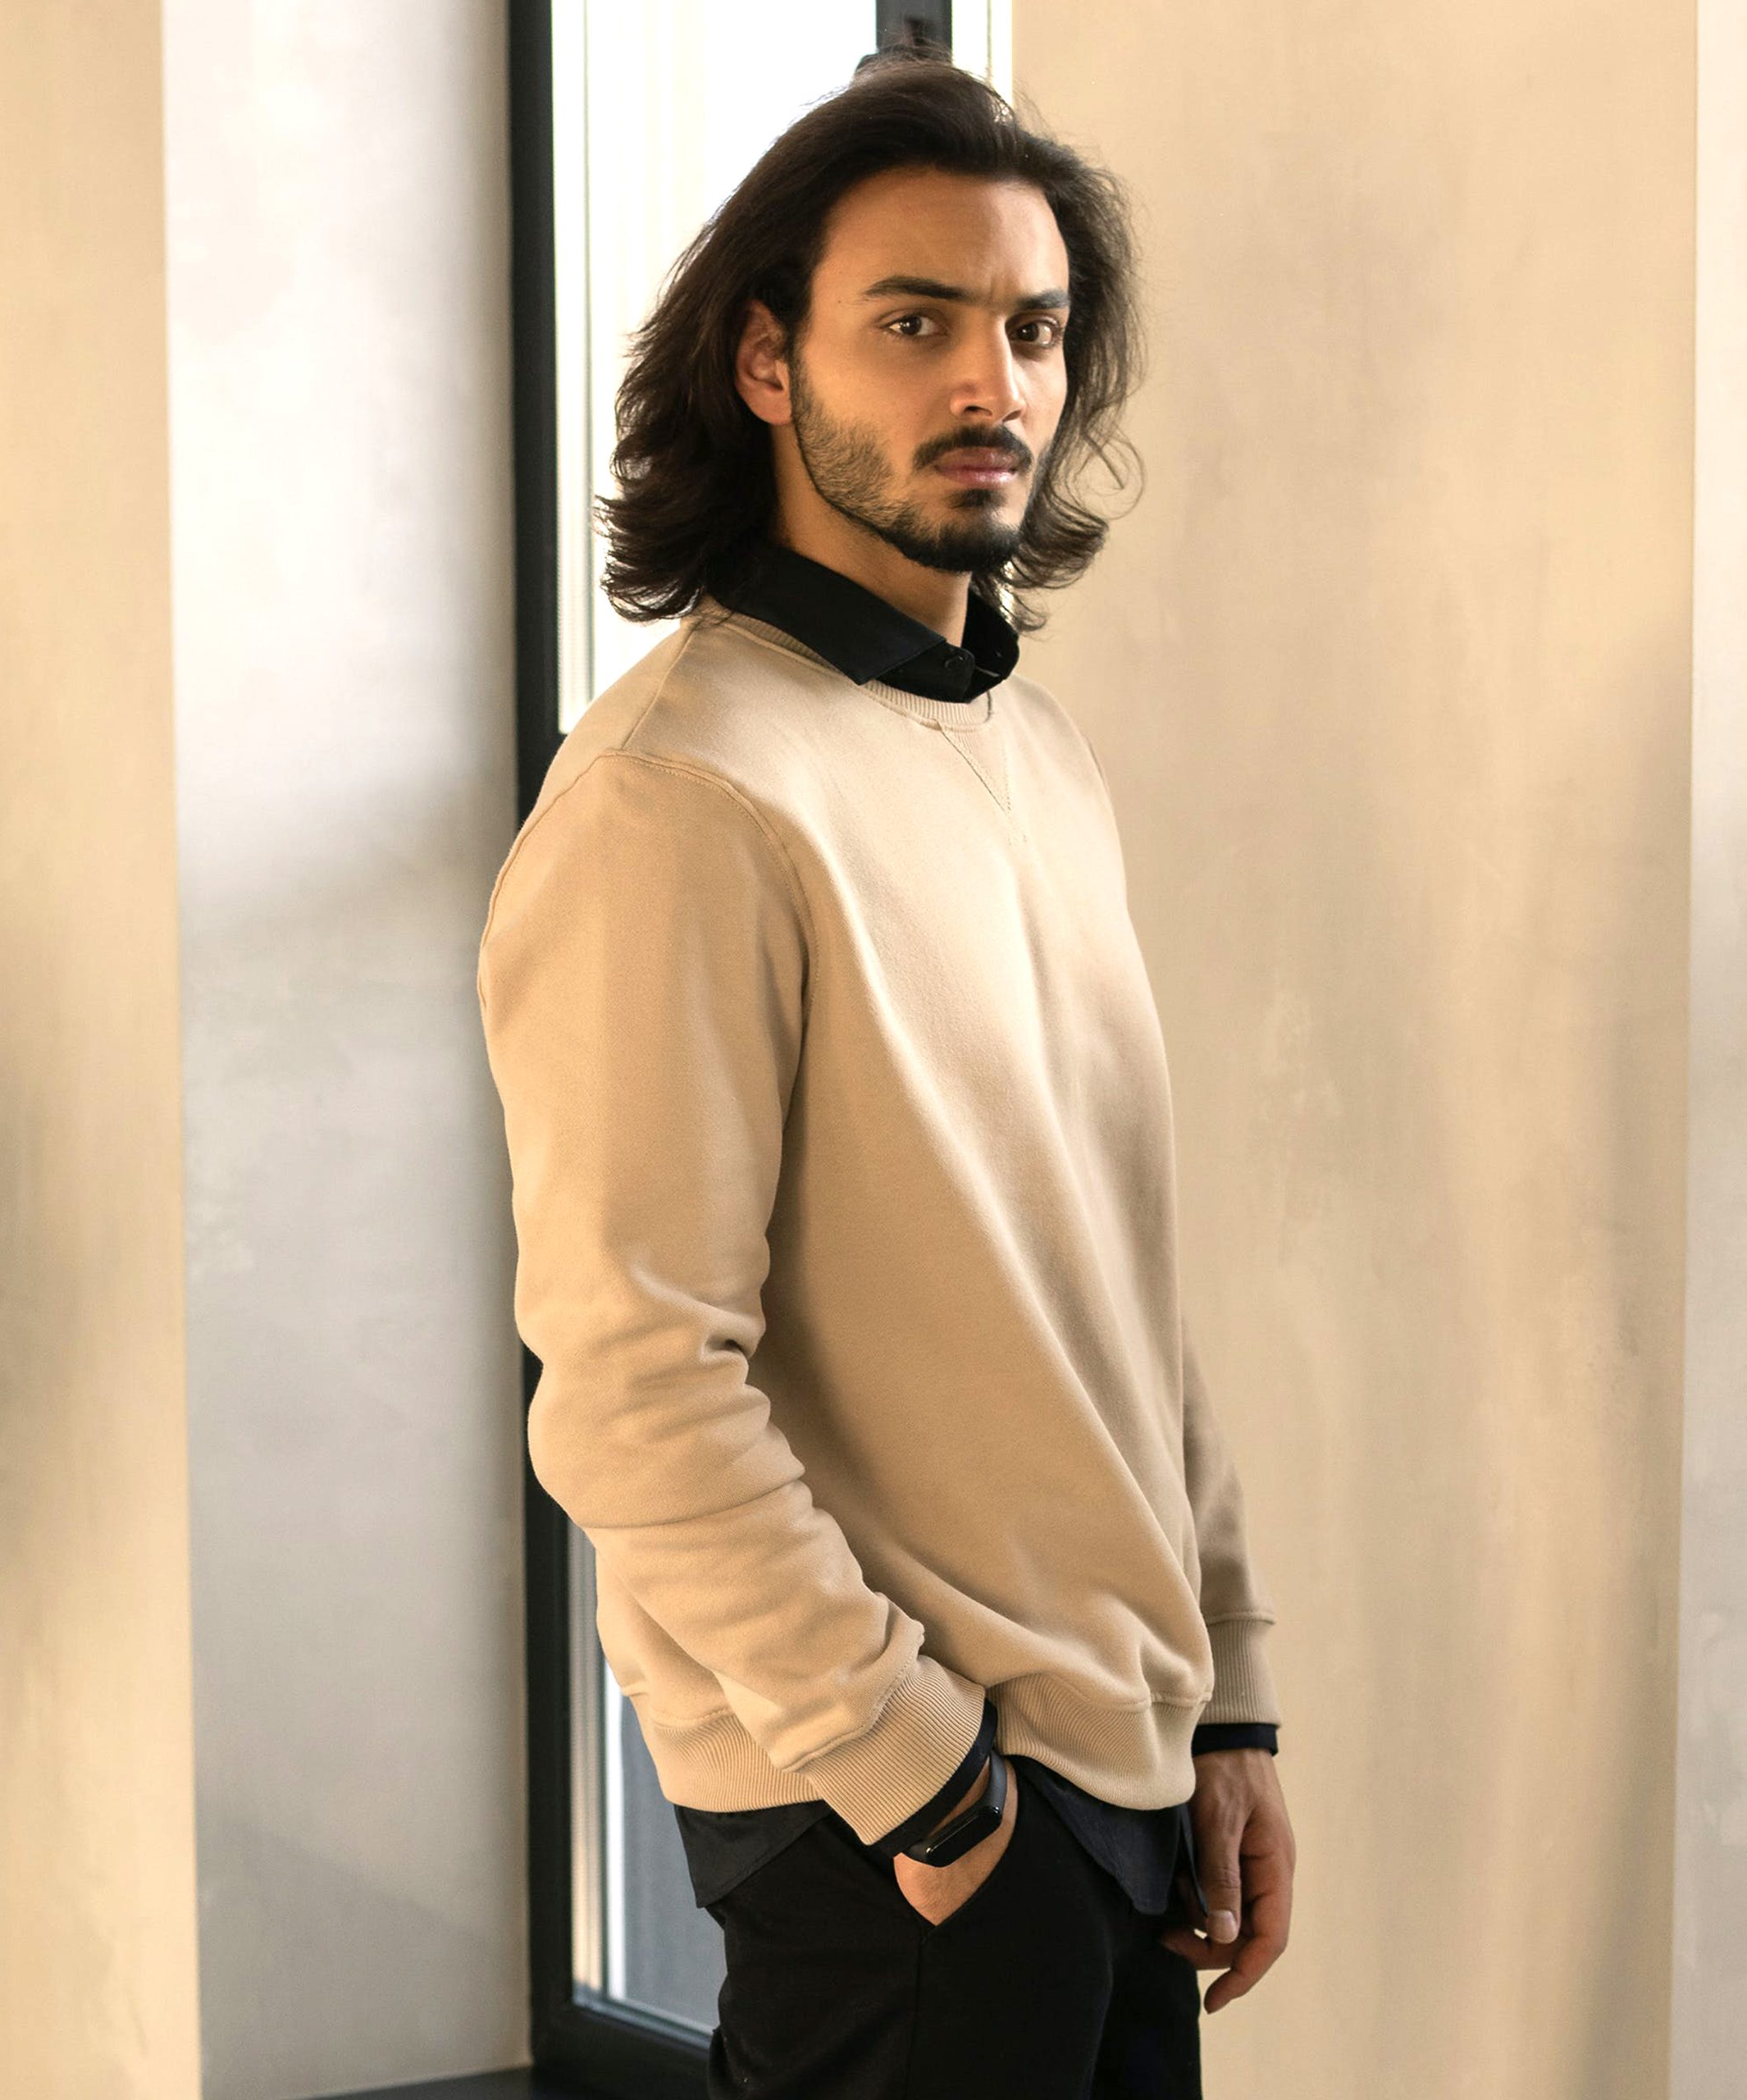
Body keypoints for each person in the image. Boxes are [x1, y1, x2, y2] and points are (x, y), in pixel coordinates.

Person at [477, 49, 1296, 2100]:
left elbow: (1115, 1288)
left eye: (1031, 328)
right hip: (911, 1820)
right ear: (766, 362)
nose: (989, 383)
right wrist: (921, 1783)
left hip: (1112, 1781)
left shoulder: (1027, 751)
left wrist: (1225, 1695)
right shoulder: (678, 796)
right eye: (912, 322)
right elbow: (630, 1381)